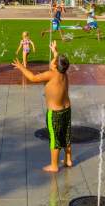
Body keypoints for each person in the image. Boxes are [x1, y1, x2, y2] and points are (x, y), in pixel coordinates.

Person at [13, 41, 72, 172]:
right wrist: (55, 51)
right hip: (66, 109)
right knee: (66, 134)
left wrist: (21, 67)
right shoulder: (64, 73)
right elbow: (59, 62)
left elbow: (33, 78)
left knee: (55, 137)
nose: (51, 61)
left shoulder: (51, 74)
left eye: (53, 60)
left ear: (55, 66)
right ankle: (68, 160)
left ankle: (54, 165)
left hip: (55, 113)